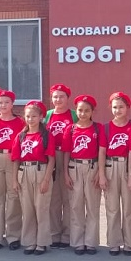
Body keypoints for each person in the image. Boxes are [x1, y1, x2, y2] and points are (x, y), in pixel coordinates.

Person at [11, 100, 56, 255]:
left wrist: (46, 180)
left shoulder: (46, 135)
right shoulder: (21, 136)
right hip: (24, 172)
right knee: (27, 209)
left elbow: (51, 159)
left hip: (41, 171)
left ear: (41, 117)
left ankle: (42, 242)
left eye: (34, 116)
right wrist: (14, 180)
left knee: (41, 208)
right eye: (28, 116)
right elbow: (16, 159)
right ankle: (29, 241)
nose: (30, 119)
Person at [98, 92, 131, 256]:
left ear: (127, 107)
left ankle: (128, 243)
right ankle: (114, 242)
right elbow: (102, 152)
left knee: (129, 208)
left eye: (121, 107)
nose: (118, 110)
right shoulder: (106, 127)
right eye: (115, 107)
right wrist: (101, 174)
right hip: (110, 166)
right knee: (112, 208)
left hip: (127, 166)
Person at [62, 94, 102, 255]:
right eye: (80, 110)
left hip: (92, 167)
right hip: (75, 167)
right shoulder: (70, 129)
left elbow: (101, 151)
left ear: (92, 111)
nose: (83, 113)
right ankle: (78, 242)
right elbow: (66, 152)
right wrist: (66, 173)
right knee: (76, 206)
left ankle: (91, 242)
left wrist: (100, 172)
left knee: (92, 206)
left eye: (87, 110)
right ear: (76, 111)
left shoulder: (98, 128)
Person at [0, 89, 24, 250]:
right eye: (0, 102)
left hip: (13, 159)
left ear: (12, 104)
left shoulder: (20, 123)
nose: (3, 105)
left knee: (14, 197)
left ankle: (13, 236)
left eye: (7, 102)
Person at [45, 83, 77, 249]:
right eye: (55, 97)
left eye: (61, 96)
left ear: (67, 98)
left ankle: (67, 235)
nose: (58, 100)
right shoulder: (48, 115)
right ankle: (54, 234)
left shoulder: (74, 115)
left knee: (68, 197)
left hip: (68, 155)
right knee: (53, 198)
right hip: (51, 156)